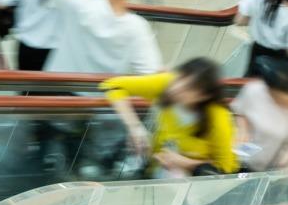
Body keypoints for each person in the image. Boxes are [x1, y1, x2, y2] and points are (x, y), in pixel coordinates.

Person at [100, 60, 237, 177]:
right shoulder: (168, 83)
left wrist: (184, 163)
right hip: (157, 172)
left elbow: (226, 169)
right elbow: (112, 85)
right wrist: (135, 127)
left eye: (188, 88)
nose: (177, 88)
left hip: (197, 188)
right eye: (179, 78)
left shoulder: (219, 117)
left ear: (204, 96)